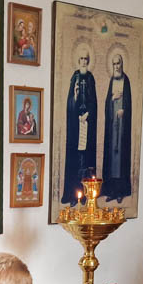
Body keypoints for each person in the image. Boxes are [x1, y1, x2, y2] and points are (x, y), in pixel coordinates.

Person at [62, 46, 97, 205]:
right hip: (76, 125)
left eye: (86, 59)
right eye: (81, 59)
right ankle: (73, 194)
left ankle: (84, 195)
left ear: (88, 61)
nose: (83, 62)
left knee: (85, 159)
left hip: (87, 124)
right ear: (78, 60)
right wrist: (75, 96)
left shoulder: (90, 78)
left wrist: (87, 114)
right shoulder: (74, 77)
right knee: (75, 159)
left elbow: (94, 102)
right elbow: (70, 103)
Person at [101, 52, 132, 203]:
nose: (116, 66)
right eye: (114, 64)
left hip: (122, 128)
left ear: (122, 64)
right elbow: (107, 103)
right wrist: (112, 99)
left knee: (120, 159)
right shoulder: (111, 81)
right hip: (112, 126)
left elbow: (128, 103)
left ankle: (120, 191)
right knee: (111, 159)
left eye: (118, 63)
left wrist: (123, 110)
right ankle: (111, 191)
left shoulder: (126, 81)